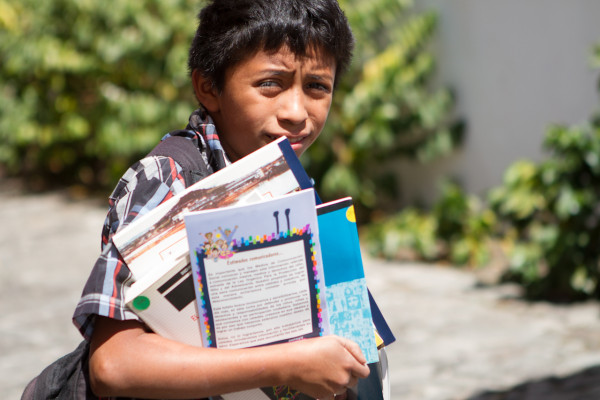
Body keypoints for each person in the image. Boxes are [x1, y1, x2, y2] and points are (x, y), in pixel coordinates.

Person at [68, 0, 370, 399]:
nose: (297, 112)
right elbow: (113, 364)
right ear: (209, 88)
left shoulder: (290, 183)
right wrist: (288, 365)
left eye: (317, 86)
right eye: (271, 84)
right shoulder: (167, 181)